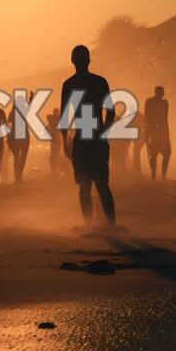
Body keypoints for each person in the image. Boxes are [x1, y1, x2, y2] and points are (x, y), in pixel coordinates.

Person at [60, 45, 116, 227]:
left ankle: (89, 225)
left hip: (82, 140)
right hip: (97, 138)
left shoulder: (69, 84)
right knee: (102, 184)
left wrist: (65, 141)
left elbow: (64, 117)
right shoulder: (99, 82)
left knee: (85, 186)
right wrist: (103, 132)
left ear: (72, 61)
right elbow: (111, 111)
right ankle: (112, 225)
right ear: (89, 60)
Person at [143, 86, 172, 181]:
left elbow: (164, 117)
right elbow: (147, 117)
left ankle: (163, 175)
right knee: (153, 154)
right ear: (156, 92)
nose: (162, 94)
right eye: (160, 92)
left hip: (163, 131)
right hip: (153, 130)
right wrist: (147, 132)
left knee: (167, 154)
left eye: (162, 92)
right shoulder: (149, 101)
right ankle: (154, 175)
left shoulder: (164, 103)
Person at [7, 93, 32, 184]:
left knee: (17, 157)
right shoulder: (22, 112)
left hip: (14, 137)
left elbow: (8, 127)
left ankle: (17, 177)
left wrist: (8, 139)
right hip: (22, 136)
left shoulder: (12, 113)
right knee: (22, 157)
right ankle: (18, 176)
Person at [47, 108, 62, 176]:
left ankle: (56, 169)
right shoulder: (54, 120)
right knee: (53, 155)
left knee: (55, 155)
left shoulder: (57, 120)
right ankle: (54, 169)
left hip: (57, 139)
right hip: (55, 139)